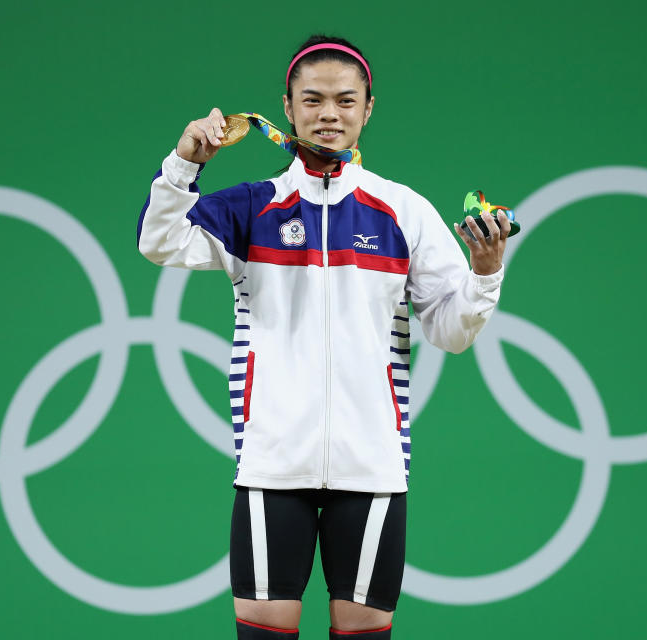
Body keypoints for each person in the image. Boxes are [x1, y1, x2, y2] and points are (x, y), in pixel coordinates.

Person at [137, 34, 510, 640]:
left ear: (368, 109)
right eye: (312, 100)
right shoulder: (252, 206)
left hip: (373, 466)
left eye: (344, 100)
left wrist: (486, 275)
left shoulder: (403, 211)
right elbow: (159, 241)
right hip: (272, 462)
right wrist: (186, 162)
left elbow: (451, 330)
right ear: (286, 108)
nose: (328, 115)